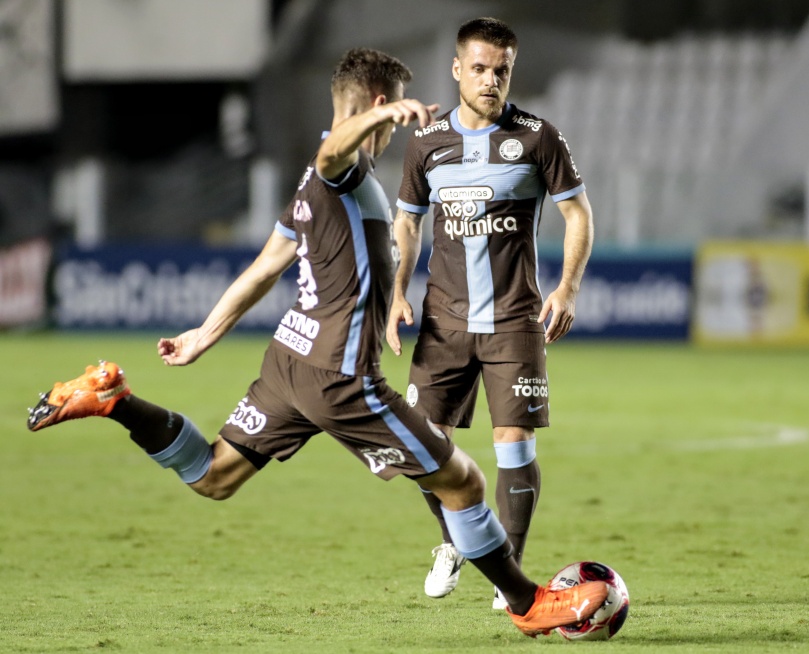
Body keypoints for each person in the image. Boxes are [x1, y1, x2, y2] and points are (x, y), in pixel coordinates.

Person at [26, 48, 606, 638]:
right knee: (464, 481)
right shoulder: (340, 168)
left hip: (288, 363)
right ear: (380, 105)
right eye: (389, 113)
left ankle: (116, 402)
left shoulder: (308, 183)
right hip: (339, 376)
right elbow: (336, 149)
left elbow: (262, 269)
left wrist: (202, 335)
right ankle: (527, 603)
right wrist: (385, 119)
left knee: (214, 475)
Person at [387, 18, 595, 609]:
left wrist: (568, 289)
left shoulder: (537, 137)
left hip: (515, 321)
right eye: (479, 68)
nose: (490, 80)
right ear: (456, 70)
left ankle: (511, 573)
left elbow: (578, 214)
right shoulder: (426, 142)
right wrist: (398, 289)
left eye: (501, 70)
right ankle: (456, 542)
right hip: (443, 322)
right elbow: (407, 220)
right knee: (425, 448)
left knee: (514, 443)